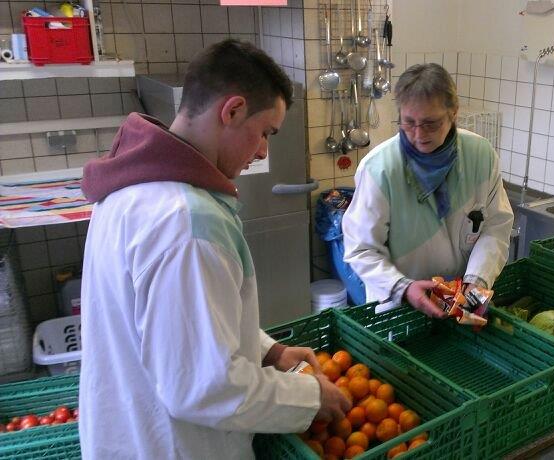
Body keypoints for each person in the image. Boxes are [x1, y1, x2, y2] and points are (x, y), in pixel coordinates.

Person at [79, 39, 350, 459]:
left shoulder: (131, 187)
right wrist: (310, 398)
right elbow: (203, 386)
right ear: (233, 110)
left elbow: (186, 323)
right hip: (173, 446)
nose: (262, 150)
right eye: (264, 132)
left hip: (129, 432)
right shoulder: (185, 224)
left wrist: (269, 351)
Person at [342, 63, 514, 316]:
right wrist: (403, 287)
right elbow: (361, 249)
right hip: (399, 304)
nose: (419, 134)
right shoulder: (380, 169)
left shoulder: (480, 155)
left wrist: (476, 283)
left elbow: (495, 227)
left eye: (431, 123)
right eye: (409, 122)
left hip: (461, 301)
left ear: (453, 113)